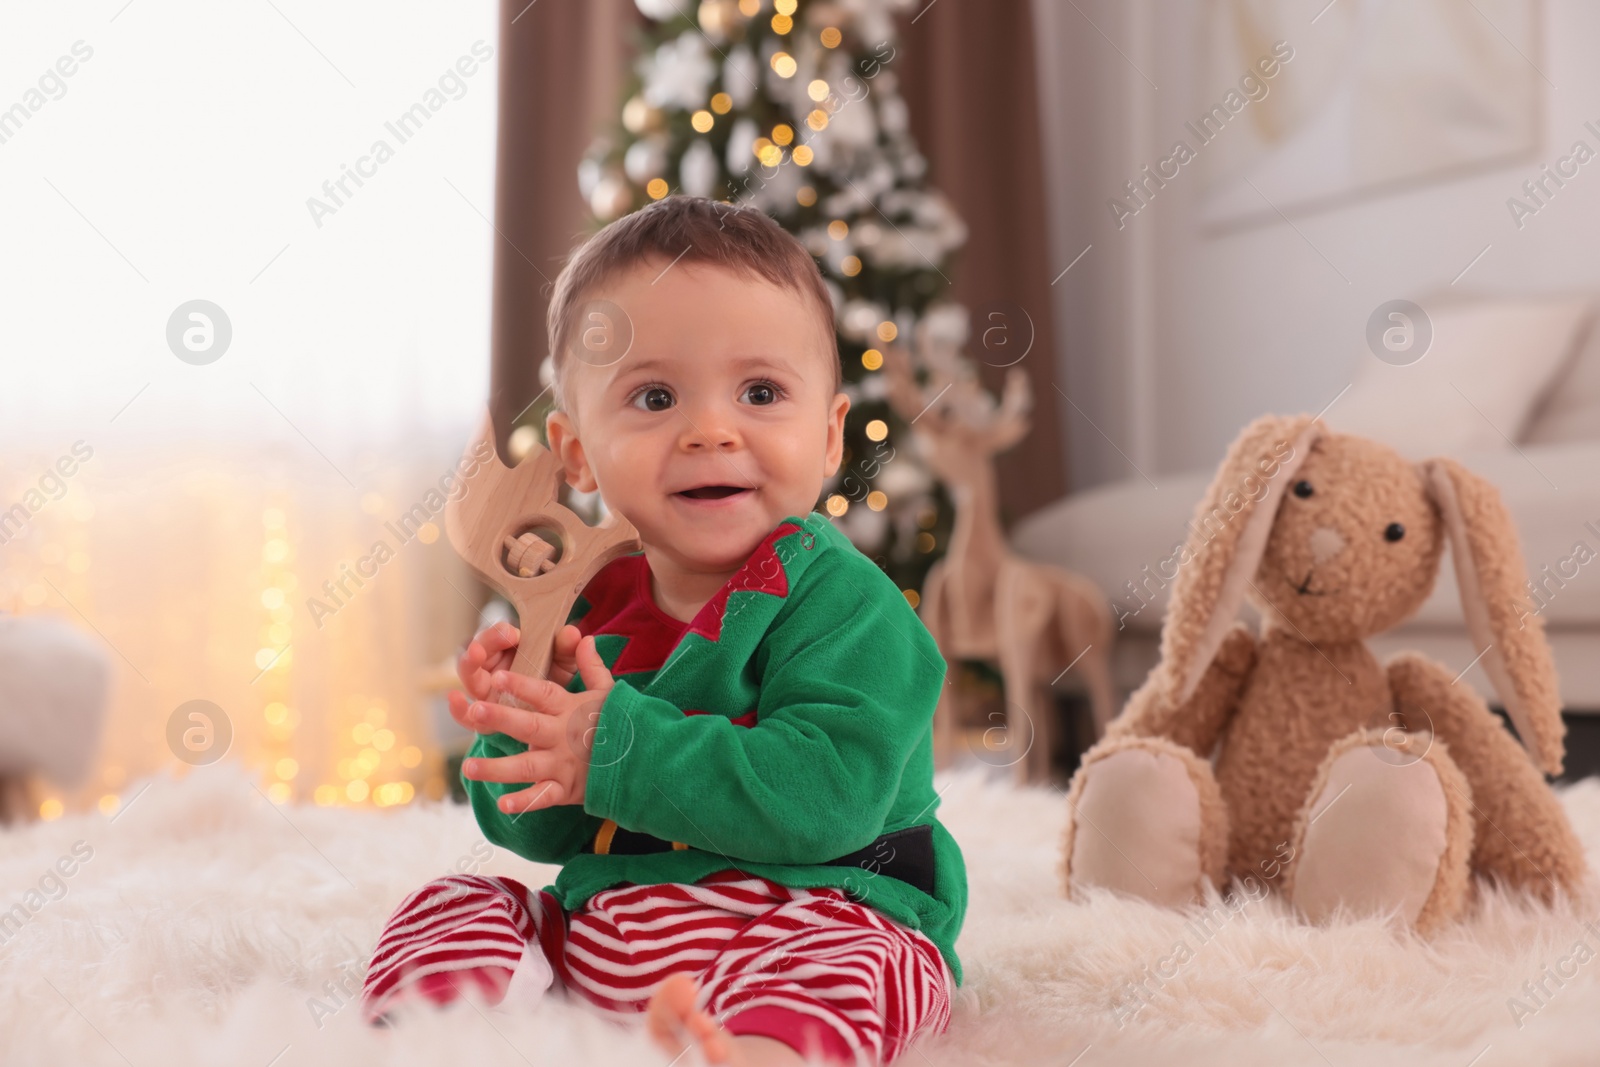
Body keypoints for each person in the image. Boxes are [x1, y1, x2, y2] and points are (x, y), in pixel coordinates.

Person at [360, 195, 967, 1066]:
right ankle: (455, 1037)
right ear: (576, 454)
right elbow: (540, 834)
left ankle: (761, 1051)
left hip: (812, 914)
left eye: (761, 392)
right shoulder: (586, 609)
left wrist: (607, 748)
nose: (711, 430)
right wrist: (521, 730)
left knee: (859, 963)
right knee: (457, 899)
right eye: (654, 396)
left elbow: (828, 795)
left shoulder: (847, 605)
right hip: (616, 933)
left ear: (830, 435)